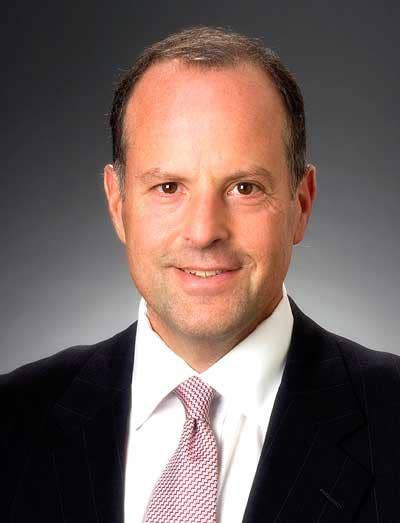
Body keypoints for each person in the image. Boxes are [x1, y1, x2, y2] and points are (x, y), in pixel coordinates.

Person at [1, 25, 398, 523]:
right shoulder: (12, 421)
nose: (205, 231)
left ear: (301, 204)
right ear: (117, 203)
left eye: (244, 188)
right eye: (169, 187)